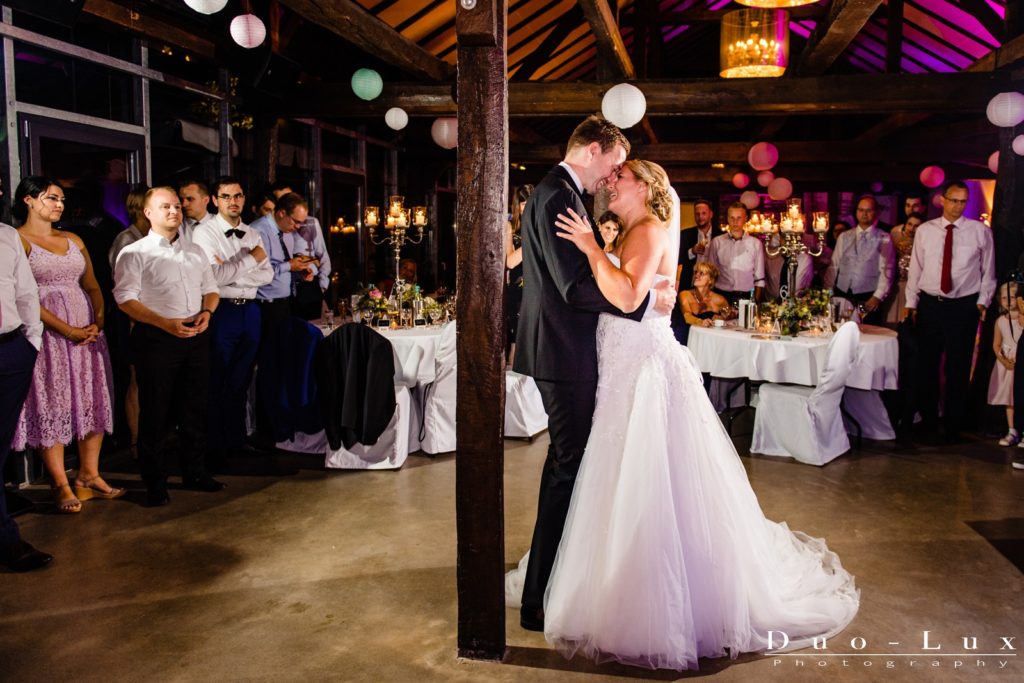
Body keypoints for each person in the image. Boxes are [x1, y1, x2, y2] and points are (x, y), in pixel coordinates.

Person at [509, 158, 859, 671]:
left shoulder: (648, 229)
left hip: (640, 363)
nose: (611, 181)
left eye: (620, 177)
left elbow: (627, 295)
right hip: (619, 359)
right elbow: (633, 290)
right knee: (612, 471)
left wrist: (589, 249)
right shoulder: (631, 228)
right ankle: (601, 574)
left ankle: (647, 597)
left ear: (645, 188)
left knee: (644, 473)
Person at [512, 115, 676, 632]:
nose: (612, 174)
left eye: (622, 172)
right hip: (563, 353)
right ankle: (540, 598)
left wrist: (629, 288)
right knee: (568, 468)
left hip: (571, 351)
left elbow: (583, 279)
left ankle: (558, 581)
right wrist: (643, 303)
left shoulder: (561, 192)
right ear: (594, 150)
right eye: (613, 162)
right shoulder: (560, 195)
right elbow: (573, 288)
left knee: (573, 467)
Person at [12, 177, 122, 513]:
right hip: (50, 334)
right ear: (29, 200)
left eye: (62, 199)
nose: (59, 205)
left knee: (92, 398)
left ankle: (89, 473)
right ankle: (59, 482)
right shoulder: (17, 240)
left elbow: (91, 284)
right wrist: (66, 330)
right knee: (54, 401)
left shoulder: (73, 238)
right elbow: (25, 296)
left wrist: (98, 321)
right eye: (52, 198)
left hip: (87, 332)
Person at [113, 187, 223, 506]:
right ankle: (155, 482)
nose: (174, 211)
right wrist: (165, 324)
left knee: (195, 407)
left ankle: (195, 472)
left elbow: (211, 289)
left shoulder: (194, 251)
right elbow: (125, 300)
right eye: (165, 207)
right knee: (156, 412)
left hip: (196, 332)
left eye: (176, 206)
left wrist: (207, 313)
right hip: (157, 337)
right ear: (148, 213)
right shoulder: (135, 252)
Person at [904, 180, 996, 441]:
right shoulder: (925, 230)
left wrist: (982, 302)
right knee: (928, 365)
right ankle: (929, 421)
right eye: (953, 200)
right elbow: (916, 270)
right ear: (943, 200)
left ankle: (954, 424)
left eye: (963, 201)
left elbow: (988, 270)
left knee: (958, 365)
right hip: (931, 303)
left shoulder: (980, 232)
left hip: (963, 305)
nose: (958, 206)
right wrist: (911, 303)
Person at [191, 177, 273, 463]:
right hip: (221, 310)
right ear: (215, 200)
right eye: (226, 196)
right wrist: (251, 261)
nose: (233, 201)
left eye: (238, 195)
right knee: (218, 377)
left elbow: (268, 276)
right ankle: (215, 447)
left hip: (251, 310)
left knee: (242, 377)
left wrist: (232, 269)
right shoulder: (204, 232)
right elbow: (214, 277)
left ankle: (237, 441)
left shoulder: (252, 233)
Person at [0, 221, 52, 570]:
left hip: (10, 350)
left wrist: (30, 343)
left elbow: (25, 291)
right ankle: (7, 539)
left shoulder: (6, 234)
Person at [108, 185, 151, 460]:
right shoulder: (126, 239)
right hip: (134, 319)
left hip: (157, 320)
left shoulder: (161, 237)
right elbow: (122, 286)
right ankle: (136, 441)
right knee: (136, 380)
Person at [832, 196, 895, 325]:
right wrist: (828, 291)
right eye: (860, 210)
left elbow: (887, 269)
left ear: (876, 212)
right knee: (841, 327)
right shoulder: (844, 236)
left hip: (866, 296)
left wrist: (878, 296)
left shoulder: (884, 237)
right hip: (842, 293)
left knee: (864, 328)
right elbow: (834, 265)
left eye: (868, 210)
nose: (864, 214)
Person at [706, 202, 765, 306]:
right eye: (732, 218)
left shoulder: (755, 244)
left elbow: (759, 277)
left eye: (739, 218)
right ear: (727, 219)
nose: (735, 222)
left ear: (745, 218)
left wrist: (755, 301)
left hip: (747, 296)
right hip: (721, 295)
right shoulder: (717, 242)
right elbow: (711, 273)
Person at [505, 184, 533, 366]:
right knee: (516, 341)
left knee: (534, 341)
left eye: (531, 202)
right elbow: (510, 261)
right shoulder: (510, 227)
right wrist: (533, 241)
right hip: (518, 288)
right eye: (523, 204)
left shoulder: (542, 225)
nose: (528, 207)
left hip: (538, 287)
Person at [988, 283, 1020, 446]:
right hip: (1008, 365)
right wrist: (1004, 361)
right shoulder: (1000, 321)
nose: (1008, 301)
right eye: (1005, 297)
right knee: (1010, 399)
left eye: (1012, 297)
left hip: (1019, 361)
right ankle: (1012, 430)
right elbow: (996, 345)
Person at [883, 211, 924, 324]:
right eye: (909, 224)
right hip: (896, 284)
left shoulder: (923, 241)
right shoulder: (895, 236)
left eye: (916, 226)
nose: (911, 228)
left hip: (915, 286)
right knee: (891, 319)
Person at [676, 198, 719, 291]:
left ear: (711, 214)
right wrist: (692, 251)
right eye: (697, 214)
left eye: (704, 213)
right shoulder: (685, 234)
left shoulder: (721, 235)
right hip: (690, 283)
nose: (700, 217)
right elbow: (677, 259)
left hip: (715, 284)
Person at [679, 261, 731, 328]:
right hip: (686, 332)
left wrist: (721, 318)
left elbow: (729, 315)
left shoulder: (719, 300)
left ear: (710, 280)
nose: (696, 275)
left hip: (708, 334)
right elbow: (687, 317)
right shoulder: (685, 294)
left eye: (701, 273)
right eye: (696, 272)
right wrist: (700, 322)